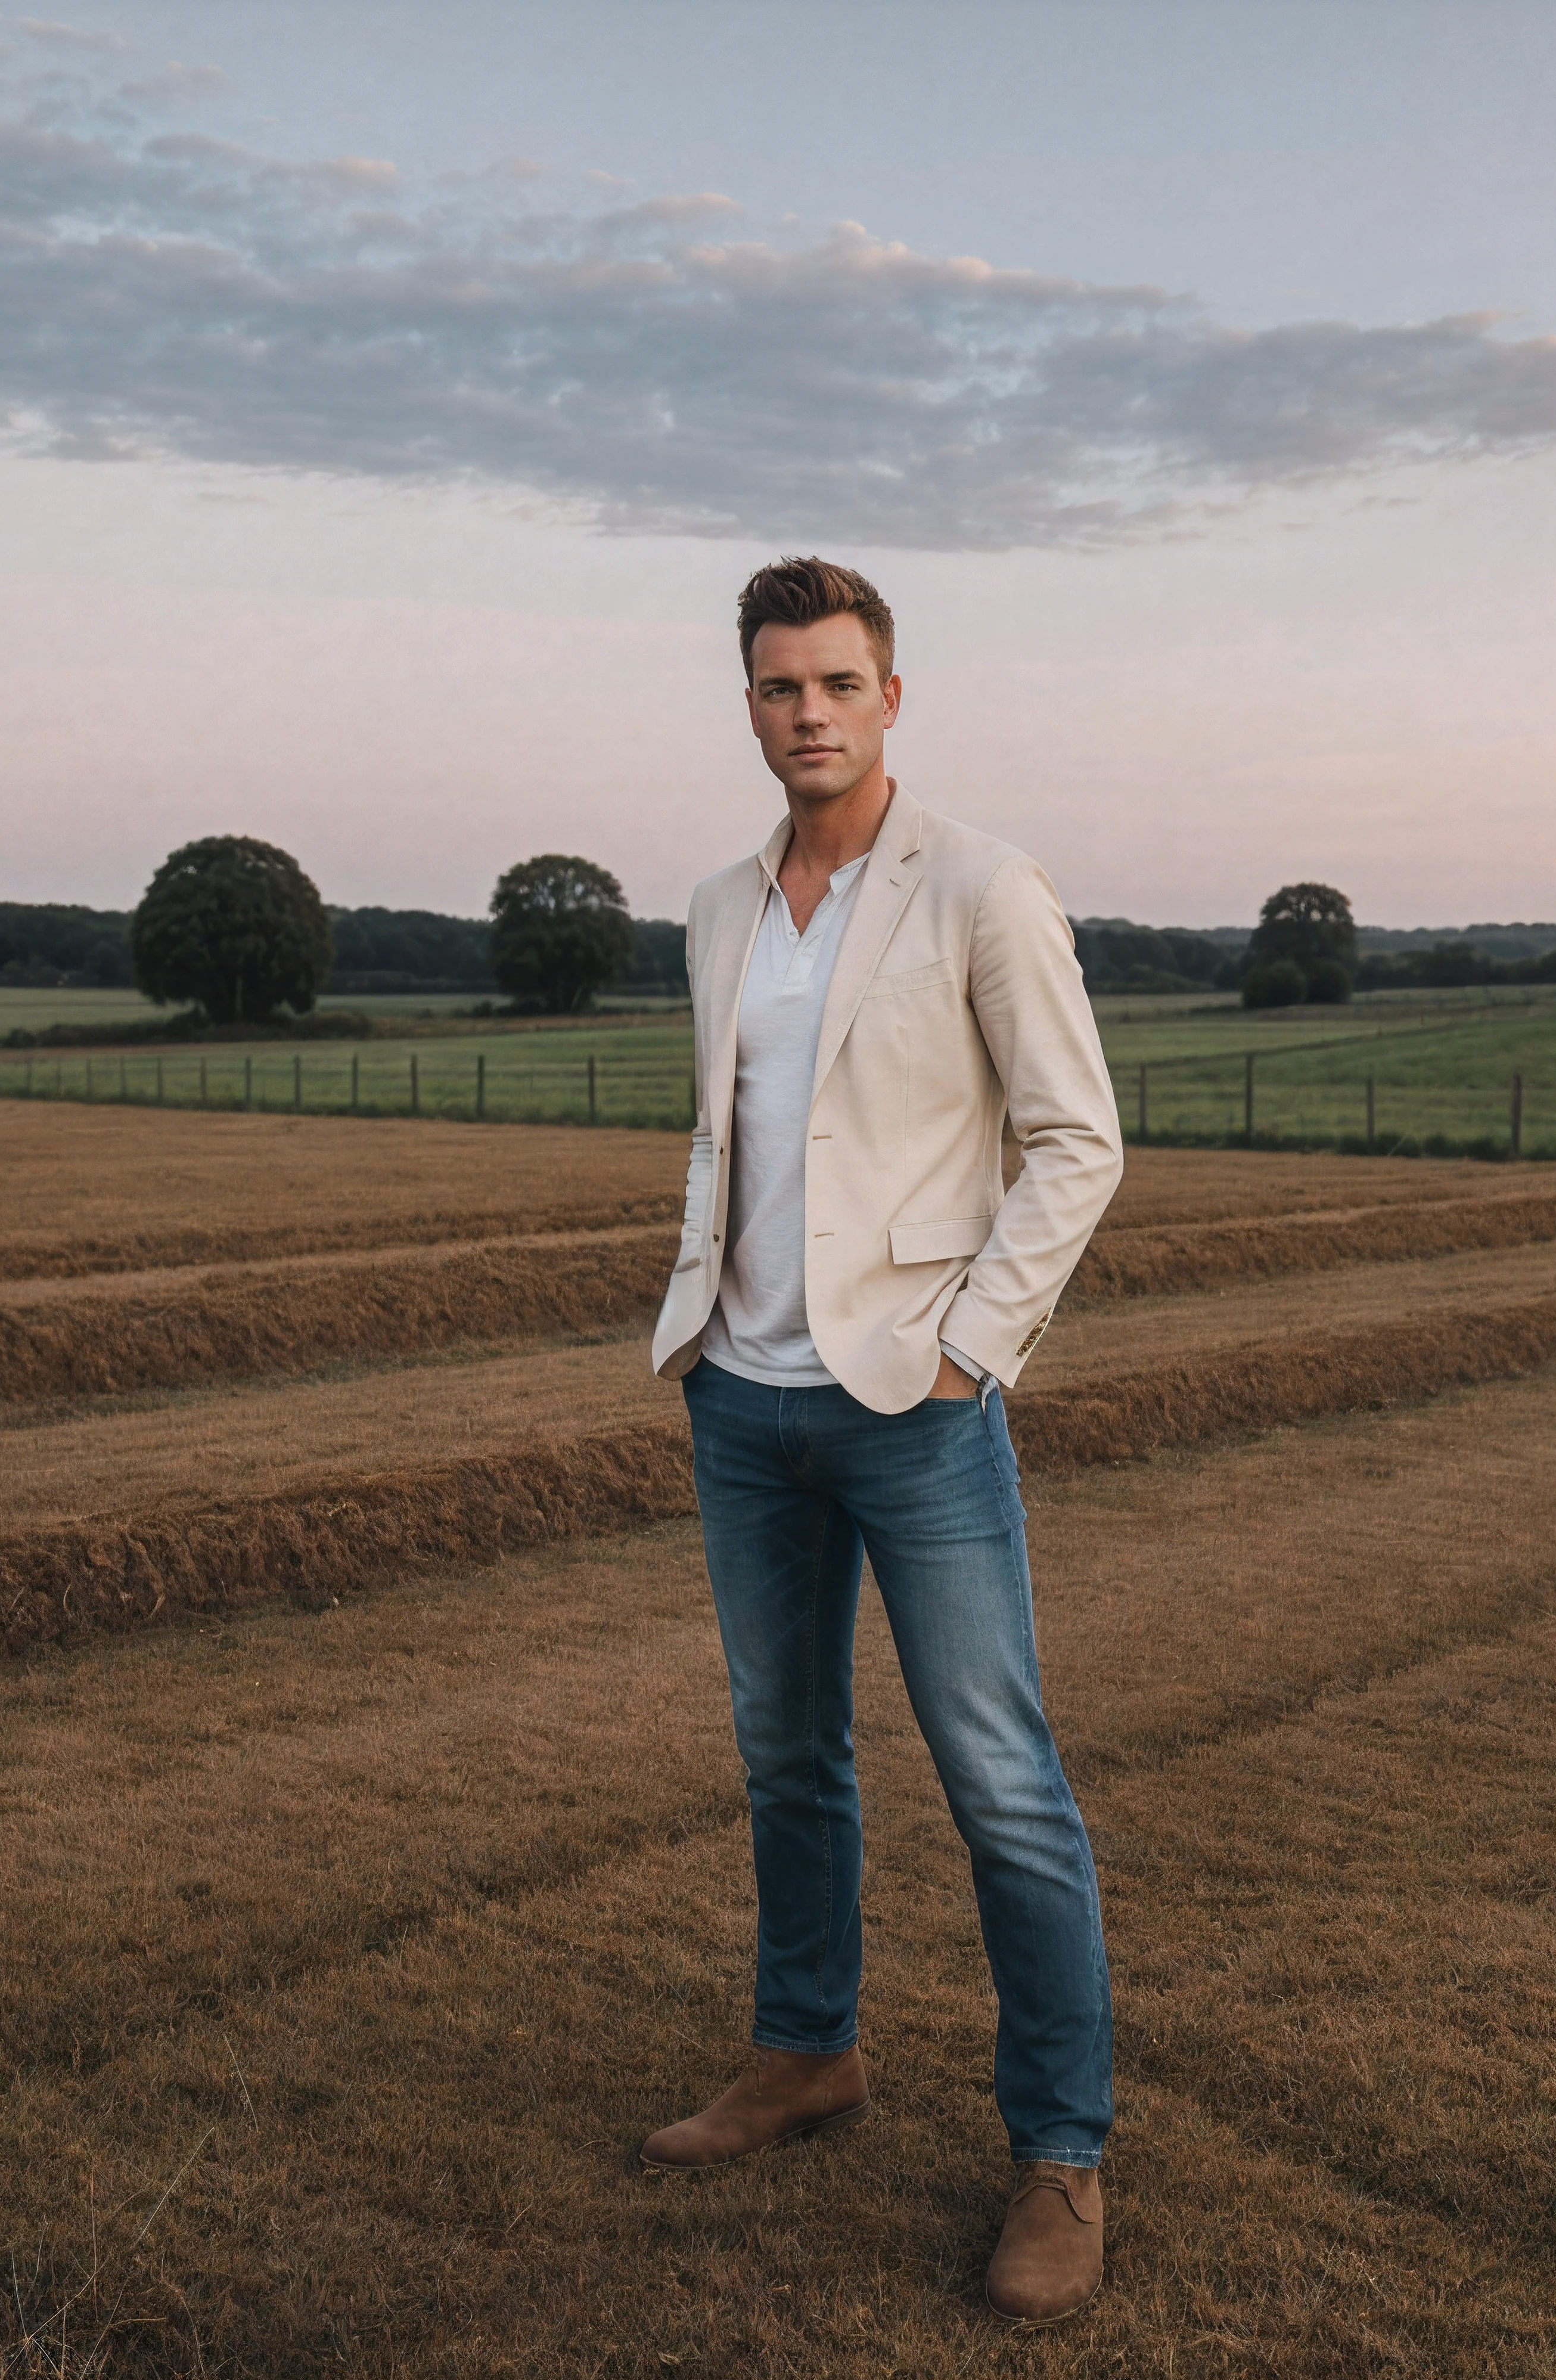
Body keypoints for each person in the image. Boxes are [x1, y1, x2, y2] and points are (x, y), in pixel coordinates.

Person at [641, 556, 1123, 2330]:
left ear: (891, 698)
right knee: (790, 1757)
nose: (808, 713)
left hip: (910, 1408)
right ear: (750, 702)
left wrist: (967, 1355)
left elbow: (1079, 1141)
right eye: (778, 686)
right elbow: (736, 1137)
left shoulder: (983, 889)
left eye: (837, 683)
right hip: (742, 1403)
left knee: (1001, 1785)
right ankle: (806, 2052)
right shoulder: (715, 905)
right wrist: (700, 1327)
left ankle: (1060, 2156)